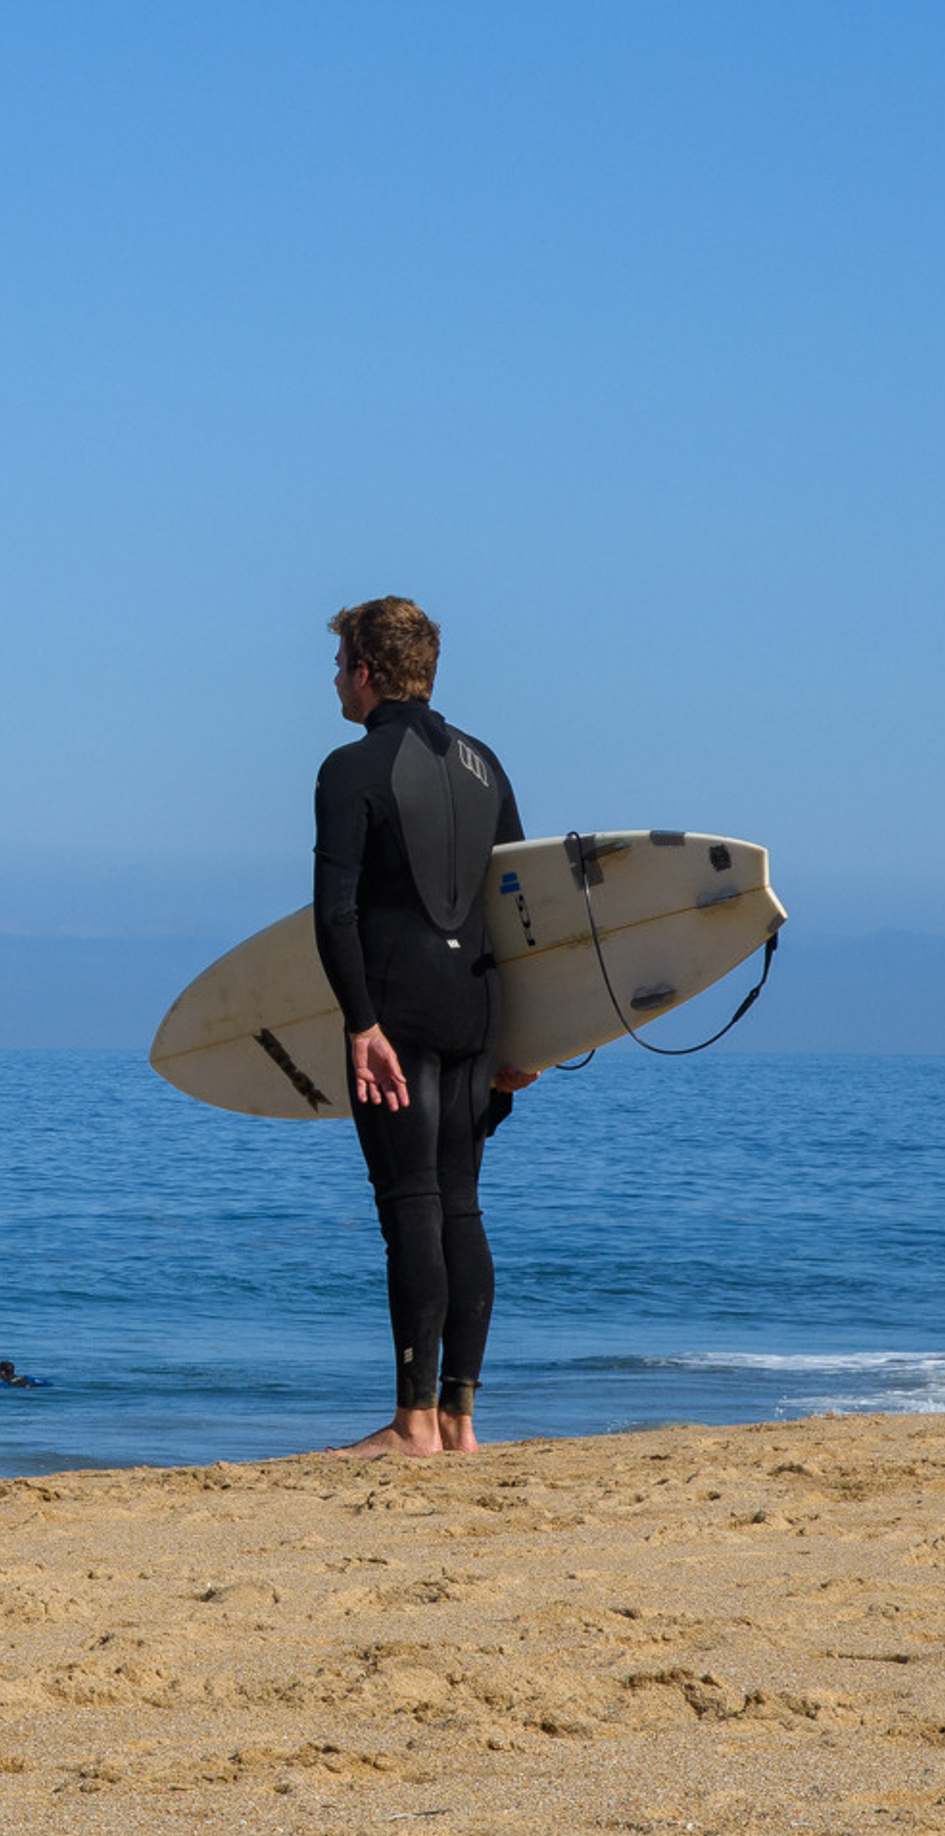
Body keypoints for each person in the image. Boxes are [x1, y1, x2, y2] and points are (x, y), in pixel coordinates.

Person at [313, 599, 533, 1461]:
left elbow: (335, 916)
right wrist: (529, 1039)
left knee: (409, 1207)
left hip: (397, 1011)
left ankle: (411, 1425)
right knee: (462, 1206)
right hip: (477, 1012)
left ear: (366, 672)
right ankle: (461, 1421)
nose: (335, 681)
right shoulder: (487, 765)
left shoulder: (349, 769)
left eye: (340, 666)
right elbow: (520, 908)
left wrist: (362, 1024)